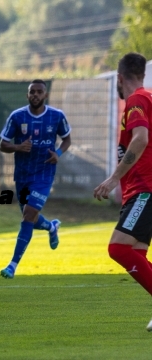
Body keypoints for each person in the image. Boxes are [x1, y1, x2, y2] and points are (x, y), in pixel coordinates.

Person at [93, 52, 152, 332]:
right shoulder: (148, 98)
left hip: (144, 189)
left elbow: (141, 138)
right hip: (141, 190)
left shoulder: (137, 100)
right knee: (136, 252)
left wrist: (114, 178)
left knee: (117, 248)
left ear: (120, 78)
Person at [0, 79, 71, 279]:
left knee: (29, 213)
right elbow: (2, 144)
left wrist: (58, 153)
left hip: (44, 173)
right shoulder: (17, 117)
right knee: (29, 217)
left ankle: (12, 265)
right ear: (27, 94)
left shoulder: (56, 116)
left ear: (45, 95)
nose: (35, 95)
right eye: (32, 92)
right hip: (22, 175)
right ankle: (51, 226)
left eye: (39, 92)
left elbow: (67, 139)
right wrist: (18, 147)